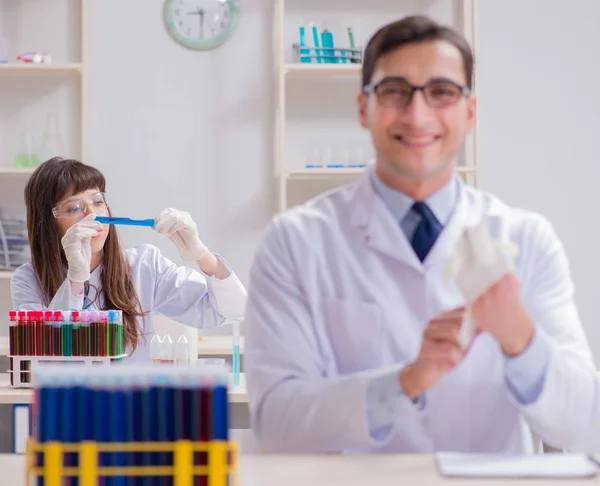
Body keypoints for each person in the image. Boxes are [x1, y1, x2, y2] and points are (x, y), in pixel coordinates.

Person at [244, 15, 599, 454]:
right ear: (363, 108)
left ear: (468, 113)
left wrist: (521, 340)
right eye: (394, 92)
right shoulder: (294, 242)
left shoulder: (527, 239)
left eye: (441, 92)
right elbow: (275, 422)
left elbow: (588, 427)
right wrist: (405, 381)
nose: (417, 115)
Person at [11, 157, 247, 362]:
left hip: (130, 406)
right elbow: (48, 355)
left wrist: (201, 254)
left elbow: (231, 311)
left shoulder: (144, 265)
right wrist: (75, 278)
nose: (92, 214)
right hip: (70, 406)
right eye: (74, 207)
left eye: (97, 201)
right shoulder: (28, 279)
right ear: (47, 223)